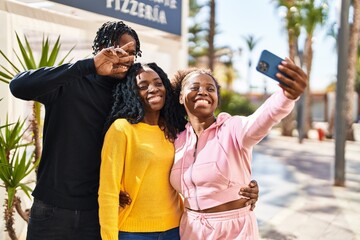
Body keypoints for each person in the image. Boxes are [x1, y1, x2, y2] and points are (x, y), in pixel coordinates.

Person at [9, 21, 141, 240]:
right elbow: (18, 86)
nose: (124, 57)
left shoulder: (129, 98)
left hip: (97, 213)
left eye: (131, 52)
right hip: (52, 210)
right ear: (102, 48)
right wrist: (88, 66)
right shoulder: (72, 81)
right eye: (119, 49)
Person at [169, 58, 308, 239]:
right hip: (191, 229)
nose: (203, 91)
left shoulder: (233, 129)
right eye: (194, 87)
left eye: (210, 89)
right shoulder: (176, 140)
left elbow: (263, 118)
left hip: (234, 230)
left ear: (216, 99)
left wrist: (287, 96)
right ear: (180, 97)